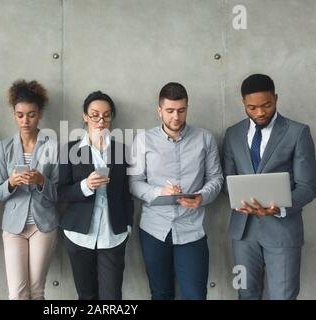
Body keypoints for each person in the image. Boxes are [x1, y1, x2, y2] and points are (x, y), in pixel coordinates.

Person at [222, 74, 316, 300]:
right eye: (252, 107)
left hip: (282, 231)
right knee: (245, 293)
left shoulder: (297, 132)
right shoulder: (233, 134)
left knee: (283, 296)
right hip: (243, 233)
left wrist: (280, 208)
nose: (260, 113)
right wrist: (239, 199)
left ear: (276, 98)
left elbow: (308, 186)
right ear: (243, 103)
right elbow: (228, 180)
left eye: (266, 105)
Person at [129, 82, 223, 300]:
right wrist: (159, 192)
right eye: (170, 111)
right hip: (154, 229)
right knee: (161, 295)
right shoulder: (143, 140)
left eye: (181, 110)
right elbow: (133, 183)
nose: (176, 117)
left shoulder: (204, 138)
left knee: (196, 295)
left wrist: (202, 197)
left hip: (192, 228)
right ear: (159, 110)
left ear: (187, 108)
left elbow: (216, 179)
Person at [58, 91, 133, 300]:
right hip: (79, 234)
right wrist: (84, 186)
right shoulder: (70, 150)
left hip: (113, 234)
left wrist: (128, 226)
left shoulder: (121, 150)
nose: (101, 120)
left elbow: (126, 192)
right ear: (85, 116)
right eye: (95, 115)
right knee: (87, 296)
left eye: (107, 115)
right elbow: (60, 191)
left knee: (112, 298)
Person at [0, 80, 59, 300]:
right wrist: (11, 183)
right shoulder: (4, 147)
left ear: (39, 114)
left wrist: (42, 180)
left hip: (43, 225)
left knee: (37, 290)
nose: (25, 120)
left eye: (31, 114)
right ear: (14, 114)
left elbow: (59, 193)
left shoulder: (53, 146)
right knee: (17, 294)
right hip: (13, 227)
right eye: (20, 115)